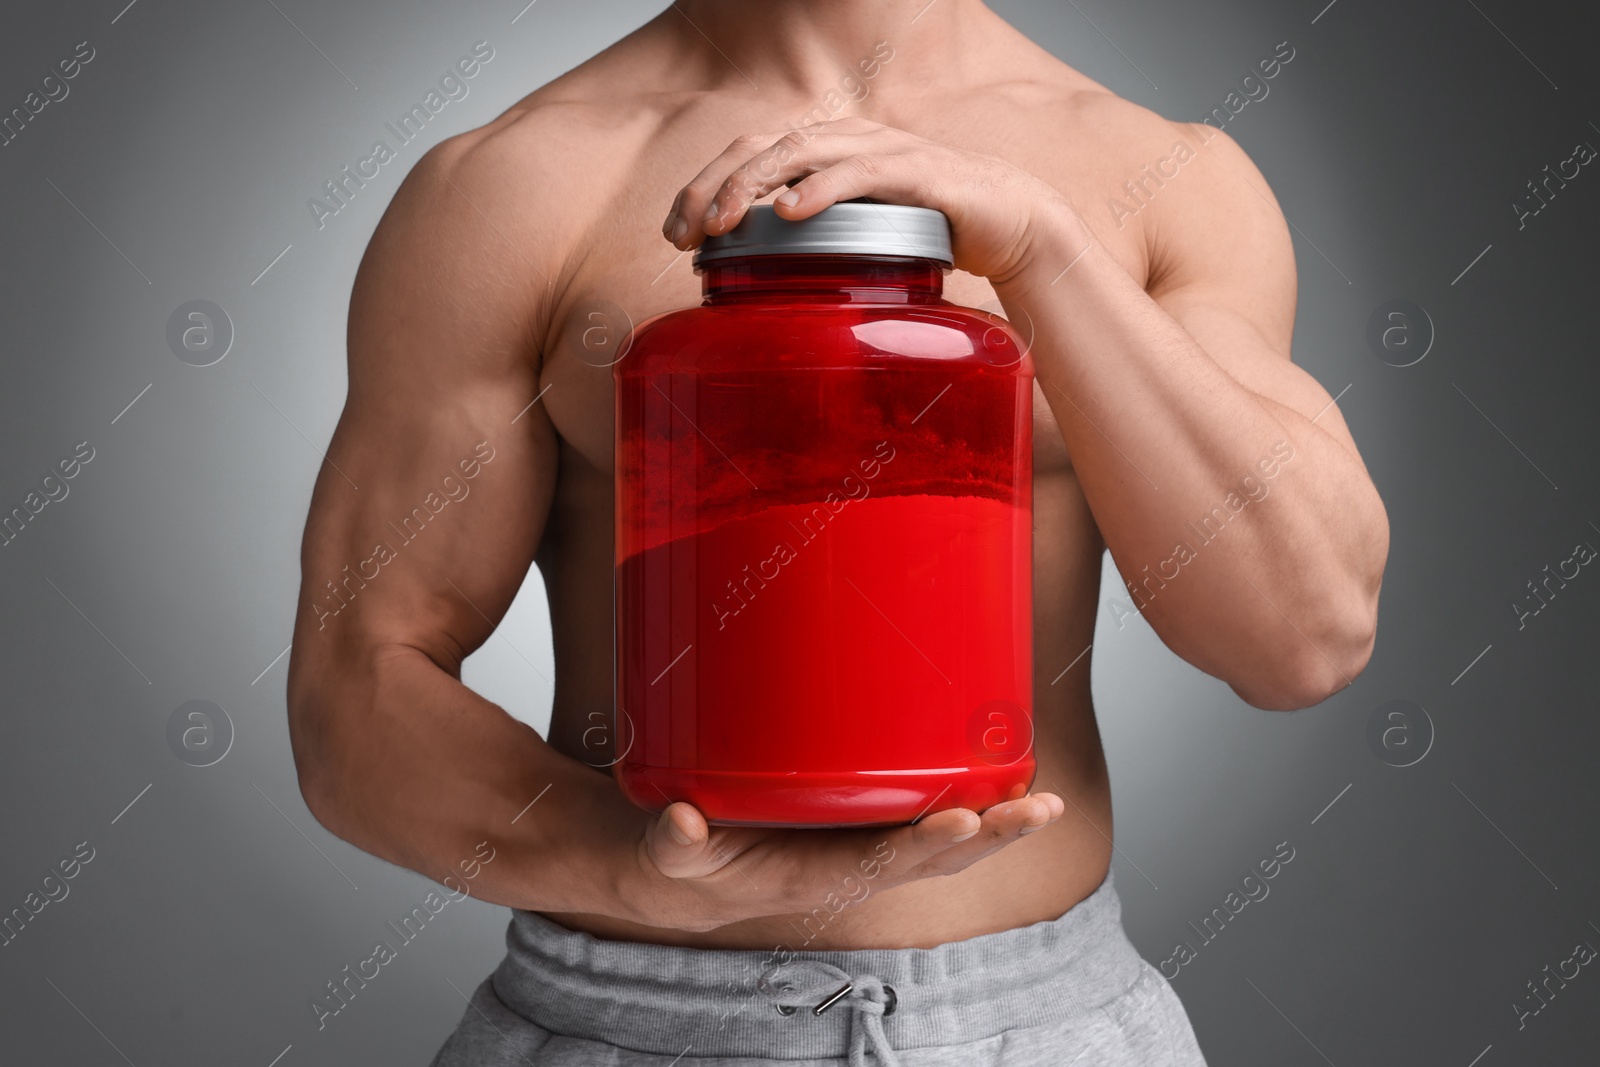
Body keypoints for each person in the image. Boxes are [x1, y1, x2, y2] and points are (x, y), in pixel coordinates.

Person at [286, 1, 1389, 1063]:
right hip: (628, 1020)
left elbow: (1302, 637)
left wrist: (1046, 256)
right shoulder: (513, 186)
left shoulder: (1167, 182)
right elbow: (355, 694)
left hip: (1045, 1026)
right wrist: (630, 866)